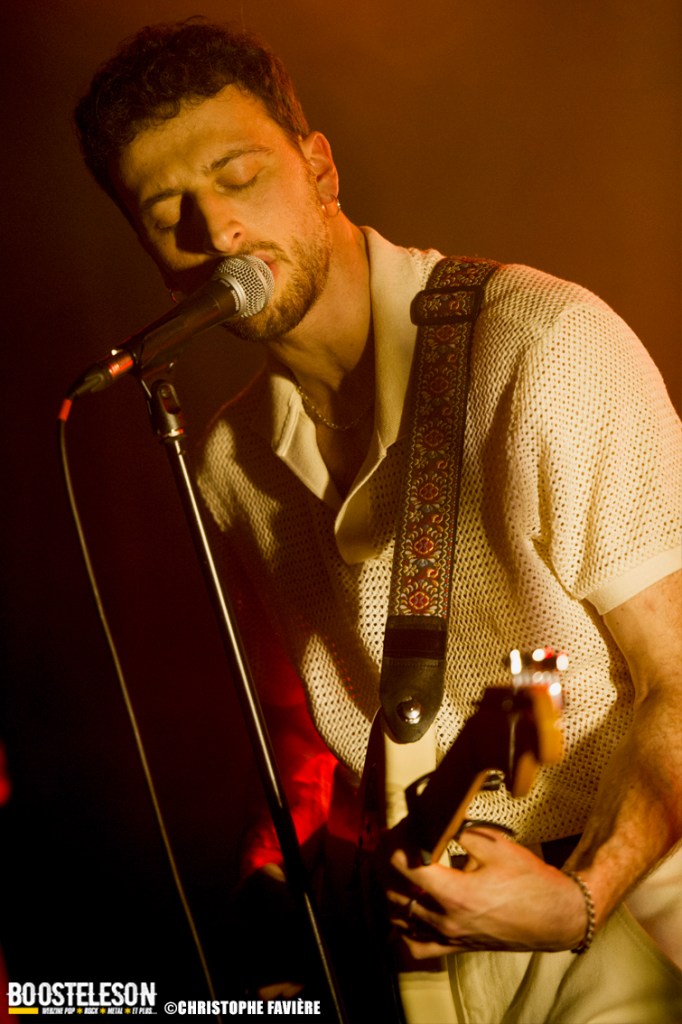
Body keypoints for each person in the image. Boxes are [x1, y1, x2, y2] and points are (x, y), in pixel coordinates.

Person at [74, 18, 682, 1022]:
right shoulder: (229, 462)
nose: (216, 232)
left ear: (320, 168)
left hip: (627, 902)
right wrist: (287, 899)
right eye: (166, 210)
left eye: (238, 176)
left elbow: (679, 677)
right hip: (426, 952)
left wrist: (578, 898)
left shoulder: (540, 347)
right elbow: (323, 737)